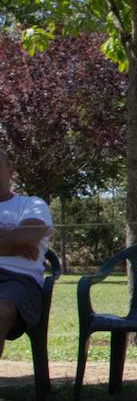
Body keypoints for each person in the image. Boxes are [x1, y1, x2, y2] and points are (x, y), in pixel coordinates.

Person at [0, 145, 52, 361]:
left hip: (18, 282)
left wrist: (20, 240)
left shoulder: (33, 204)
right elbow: (18, 241)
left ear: (10, 169)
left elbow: (26, 239)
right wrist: (11, 239)